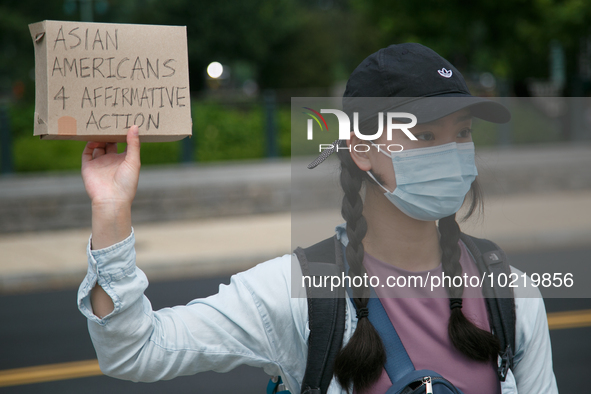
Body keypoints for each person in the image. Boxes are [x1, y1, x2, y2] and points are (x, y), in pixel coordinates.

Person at [78, 43, 558, 394]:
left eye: (464, 132)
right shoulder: (295, 294)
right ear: (363, 150)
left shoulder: (513, 295)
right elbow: (134, 351)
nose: (454, 154)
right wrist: (111, 210)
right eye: (427, 136)